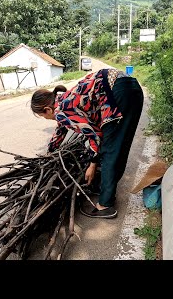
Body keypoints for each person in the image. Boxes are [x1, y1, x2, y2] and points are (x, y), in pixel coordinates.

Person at [30, 67, 144, 219]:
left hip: (119, 93)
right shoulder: (63, 101)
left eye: (42, 116)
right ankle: (106, 188)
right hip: (130, 87)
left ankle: (105, 205)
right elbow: (60, 131)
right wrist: (49, 153)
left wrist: (92, 163)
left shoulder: (61, 110)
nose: (45, 119)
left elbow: (95, 135)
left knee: (109, 150)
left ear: (47, 110)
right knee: (119, 144)